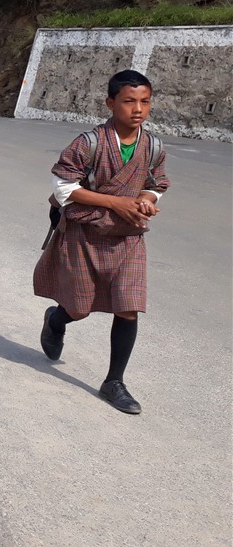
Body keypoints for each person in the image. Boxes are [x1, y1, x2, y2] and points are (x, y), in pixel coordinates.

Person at [33, 69, 168, 415]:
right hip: (84, 234)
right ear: (111, 103)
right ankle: (56, 320)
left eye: (144, 101)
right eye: (128, 101)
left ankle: (114, 381)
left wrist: (146, 200)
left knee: (128, 304)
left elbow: (157, 184)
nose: (137, 109)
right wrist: (116, 202)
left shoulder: (152, 146)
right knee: (79, 306)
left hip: (128, 237)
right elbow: (63, 189)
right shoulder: (88, 143)